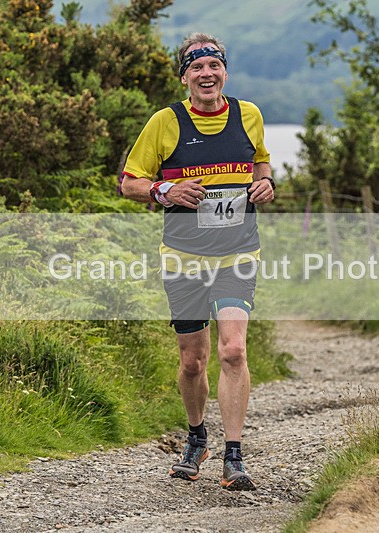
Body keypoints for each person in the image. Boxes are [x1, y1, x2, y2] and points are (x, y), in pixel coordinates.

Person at [119, 32, 275, 490]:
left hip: (237, 255)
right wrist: (163, 190)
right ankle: (195, 437)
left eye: (214, 66)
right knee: (193, 361)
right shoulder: (165, 122)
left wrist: (265, 185)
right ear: (184, 76)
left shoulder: (248, 115)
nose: (206, 74)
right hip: (183, 260)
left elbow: (261, 163)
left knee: (233, 350)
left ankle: (234, 454)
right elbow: (129, 182)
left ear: (224, 71)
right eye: (196, 68)